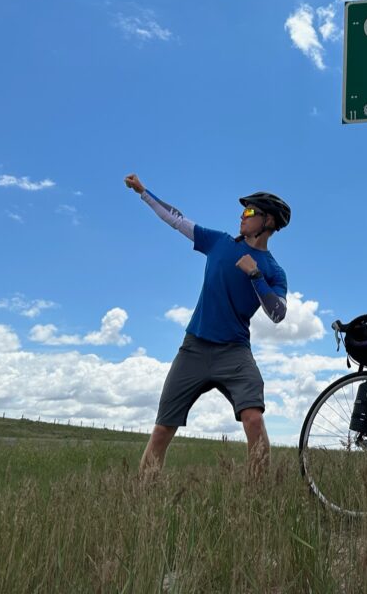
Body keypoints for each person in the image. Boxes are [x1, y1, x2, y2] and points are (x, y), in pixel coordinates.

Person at [124, 173, 290, 479]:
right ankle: (143, 497)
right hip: (194, 348)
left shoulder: (273, 270)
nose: (243, 216)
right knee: (163, 428)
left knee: (254, 420)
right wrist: (144, 192)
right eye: (243, 211)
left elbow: (278, 314)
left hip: (235, 353)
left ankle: (259, 499)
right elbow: (177, 220)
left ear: (268, 221)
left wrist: (256, 277)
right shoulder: (219, 242)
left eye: (250, 212)